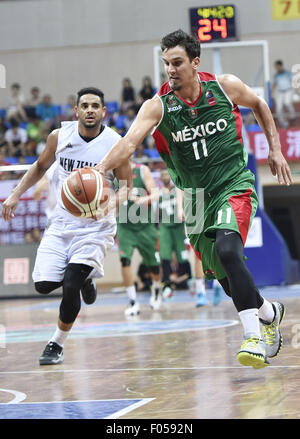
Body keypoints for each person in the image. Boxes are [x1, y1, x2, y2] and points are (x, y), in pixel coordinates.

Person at [95, 29, 292, 369]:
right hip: (197, 198)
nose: (170, 70)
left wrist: (275, 149)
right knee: (228, 281)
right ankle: (269, 312)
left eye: (177, 63)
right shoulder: (156, 107)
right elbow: (128, 144)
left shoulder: (224, 86)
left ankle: (252, 337)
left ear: (195, 62)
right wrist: (100, 170)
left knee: (230, 250)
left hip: (233, 183)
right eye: (166, 64)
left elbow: (259, 104)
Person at [2, 86, 132, 365]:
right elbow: (39, 166)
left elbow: (126, 187)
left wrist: (106, 207)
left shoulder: (116, 142)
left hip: (96, 226)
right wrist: (15, 194)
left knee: (70, 284)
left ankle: (56, 343)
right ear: (76, 111)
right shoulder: (59, 136)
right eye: (84, 105)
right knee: (44, 285)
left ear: (103, 112)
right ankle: (85, 277)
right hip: (62, 222)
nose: (89, 110)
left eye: (95, 106)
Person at [117, 161, 162, 316]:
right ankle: (133, 301)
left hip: (145, 226)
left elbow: (156, 194)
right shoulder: (112, 172)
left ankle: (156, 289)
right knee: (125, 260)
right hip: (125, 226)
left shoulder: (142, 171)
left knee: (153, 264)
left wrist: (144, 199)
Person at [158, 168, 191, 299]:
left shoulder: (177, 190)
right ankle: (166, 283)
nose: (165, 176)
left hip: (178, 226)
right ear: (160, 178)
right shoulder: (158, 193)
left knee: (182, 254)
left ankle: (189, 279)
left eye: (167, 174)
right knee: (165, 254)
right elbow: (157, 212)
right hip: (165, 227)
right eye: (163, 174)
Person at [272, 60, 296, 128]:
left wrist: (296, 90)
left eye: (277, 66)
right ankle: (283, 123)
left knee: (287, 103)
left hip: (288, 90)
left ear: (280, 66)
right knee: (278, 109)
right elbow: (274, 84)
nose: (276, 68)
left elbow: (293, 82)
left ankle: (293, 116)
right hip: (280, 92)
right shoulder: (276, 75)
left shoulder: (288, 73)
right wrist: (271, 92)